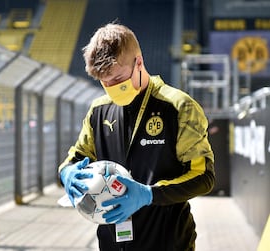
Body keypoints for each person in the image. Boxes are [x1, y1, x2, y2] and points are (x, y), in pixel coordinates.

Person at [58, 23, 215, 251]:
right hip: (112, 244)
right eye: (105, 82)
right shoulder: (98, 110)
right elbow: (75, 157)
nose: (111, 87)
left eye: (118, 79)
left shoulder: (179, 107)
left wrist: (149, 194)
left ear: (139, 63)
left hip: (168, 243)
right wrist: (67, 173)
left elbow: (204, 177)